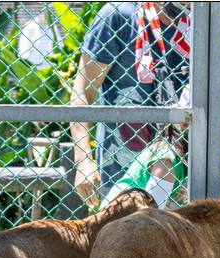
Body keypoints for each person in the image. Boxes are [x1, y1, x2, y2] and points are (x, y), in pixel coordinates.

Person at [69, 2, 190, 208]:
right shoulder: (119, 16)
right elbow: (83, 91)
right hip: (121, 170)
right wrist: (83, 161)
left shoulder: (197, 26)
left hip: (181, 174)